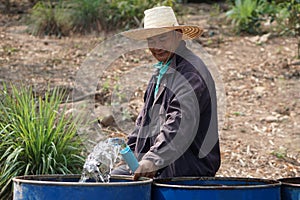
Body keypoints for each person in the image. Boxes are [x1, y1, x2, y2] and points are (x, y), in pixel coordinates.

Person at [112, 6, 221, 180]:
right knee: (116, 176)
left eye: (162, 38)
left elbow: (180, 121)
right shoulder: (161, 72)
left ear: (178, 35)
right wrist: (128, 156)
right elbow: (143, 124)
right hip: (163, 163)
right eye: (151, 40)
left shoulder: (191, 72)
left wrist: (152, 160)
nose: (157, 46)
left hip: (186, 167)